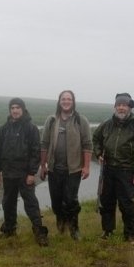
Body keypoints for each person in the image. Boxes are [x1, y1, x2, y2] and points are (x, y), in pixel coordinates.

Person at [92, 92, 134, 243]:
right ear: (114, 107)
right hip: (108, 169)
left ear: (129, 107)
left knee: (127, 204)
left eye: (124, 105)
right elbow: (96, 139)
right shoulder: (106, 124)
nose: (121, 108)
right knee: (107, 202)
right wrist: (98, 154)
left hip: (126, 170)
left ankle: (131, 234)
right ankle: (107, 230)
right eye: (119, 105)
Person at [0, 98, 48, 247]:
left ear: (23, 109)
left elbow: (36, 152)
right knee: (8, 203)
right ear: (10, 110)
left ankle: (39, 232)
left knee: (31, 203)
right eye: (12, 108)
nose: (15, 110)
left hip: (25, 174)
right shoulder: (4, 128)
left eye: (18, 108)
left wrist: (32, 173)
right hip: (8, 173)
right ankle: (9, 230)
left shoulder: (31, 128)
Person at [39, 90, 92, 240]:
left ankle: (74, 229)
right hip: (54, 169)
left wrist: (87, 166)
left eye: (69, 99)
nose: (66, 101)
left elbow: (87, 144)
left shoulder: (81, 120)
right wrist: (43, 166)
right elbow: (44, 144)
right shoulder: (51, 120)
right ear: (59, 101)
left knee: (70, 200)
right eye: (63, 99)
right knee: (56, 201)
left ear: (73, 101)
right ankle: (61, 223)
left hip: (73, 170)